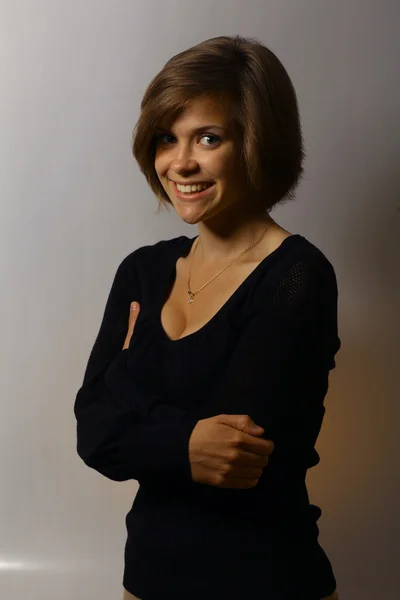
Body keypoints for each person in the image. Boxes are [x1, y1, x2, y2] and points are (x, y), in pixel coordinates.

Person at [74, 35, 341, 600]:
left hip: (264, 578)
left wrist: (128, 408)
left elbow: (232, 460)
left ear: (257, 143)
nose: (180, 162)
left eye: (209, 138)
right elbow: (91, 432)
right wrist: (178, 440)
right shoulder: (142, 272)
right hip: (147, 577)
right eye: (167, 139)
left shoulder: (297, 275)